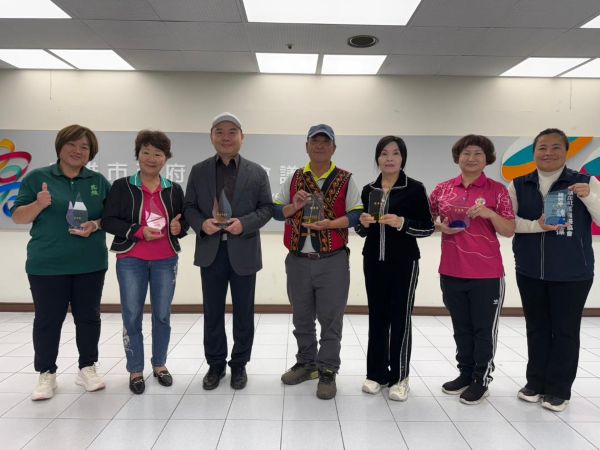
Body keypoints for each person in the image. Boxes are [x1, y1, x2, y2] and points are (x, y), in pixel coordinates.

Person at [11, 124, 110, 400]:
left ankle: (87, 368)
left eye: (84, 147)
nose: (78, 151)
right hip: (47, 264)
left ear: (91, 152)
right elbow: (18, 216)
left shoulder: (98, 181)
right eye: (72, 145)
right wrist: (39, 204)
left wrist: (95, 224)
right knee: (47, 320)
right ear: (60, 147)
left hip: (90, 263)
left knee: (88, 318)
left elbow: (113, 218)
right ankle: (46, 374)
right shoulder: (38, 178)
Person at [509, 128, 600, 412]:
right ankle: (535, 382)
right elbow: (508, 223)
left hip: (573, 273)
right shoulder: (519, 184)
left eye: (556, 147)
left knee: (565, 331)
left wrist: (589, 197)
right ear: (534, 152)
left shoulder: (585, 181)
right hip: (530, 270)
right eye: (543, 148)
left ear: (566, 152)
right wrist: (536, 225)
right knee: (536, 328)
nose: (548, 153)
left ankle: (559, 389)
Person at [184, 112, 273, 391]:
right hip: (211, 251)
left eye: (232, 132)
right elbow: (189, 207)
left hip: (243, 249)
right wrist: (202, 224)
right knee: (212, 311)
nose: (226, 137)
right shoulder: (199, 171)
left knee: (244, 312)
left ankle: (239, 364)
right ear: (211, 137)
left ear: (242, 137)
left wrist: (243, 224)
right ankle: (215, 364)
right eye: (219, 132)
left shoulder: (257, 172)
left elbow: (267, 208)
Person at [274, 124, 362, 400]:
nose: (320, 146)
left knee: (331, 319)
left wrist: (331, 224)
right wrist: (294, 205)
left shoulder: (346, 179)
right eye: (315, 141)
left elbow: (357, 215)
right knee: (301, 317)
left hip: (332, 260)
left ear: (334, 147)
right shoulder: (295, 178)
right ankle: (306, 363)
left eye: (326, 142)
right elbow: (276, 211)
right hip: (298, 259)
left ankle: (327, 370)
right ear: (307, 146)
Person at [429, 134, 515, 405]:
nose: (471, 158)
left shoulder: (497, 190)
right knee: (461, 328)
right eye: (466, 153)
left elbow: (509, 230)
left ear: (487, 159)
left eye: (478, 153)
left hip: (486, 273)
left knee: (483, 330)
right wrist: (439, 226)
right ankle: (465, 373)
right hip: (451, 270)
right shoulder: (442, 189)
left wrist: (490, 214)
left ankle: (481, 379)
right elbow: (427, 218)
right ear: (458, 157)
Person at [102, 130, 188, 395]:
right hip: (131, 259)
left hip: (165, 260)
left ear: (166, 158)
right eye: (146, 152)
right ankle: (135, 369)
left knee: (162, 315)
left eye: (158, 154)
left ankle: (159, 364)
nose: (151, 158)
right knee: (131, 315)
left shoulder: (173, 189)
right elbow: (109, 220)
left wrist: (179, 228)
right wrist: (138, 231)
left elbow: (183, 221)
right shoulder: (122, 186)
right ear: (137, 155)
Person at [356, 136, 434, 401]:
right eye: (384, 153)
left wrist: (402, 222)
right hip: (373, 261)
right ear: (377, 158)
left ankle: (400, 377)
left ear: (403, 158)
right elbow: (361, 231)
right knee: (377, 317)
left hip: (404, 263)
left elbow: (428, 227)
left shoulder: (414, 188)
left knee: (400, 318)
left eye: (395, 153)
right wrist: (363, 223)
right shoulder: (369, 190)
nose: (389, 158)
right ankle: (376, 374)